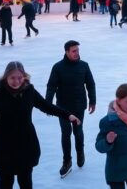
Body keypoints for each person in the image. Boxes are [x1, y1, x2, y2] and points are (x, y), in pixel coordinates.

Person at [0, 61, 80, 189]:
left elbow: (46, 106)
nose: (16, 81)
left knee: (26, 181)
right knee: (6, 182)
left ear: (24, 77)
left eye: (20, 77)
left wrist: (67, 115)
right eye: (12, 77)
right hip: (4, 145)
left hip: (25, 143)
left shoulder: (29, 91)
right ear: (6, 77)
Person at [45, 41, 97, 178]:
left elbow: (90, 84)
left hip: (79, 105)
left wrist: (93, 101)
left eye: (77, 50)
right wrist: (48, 104)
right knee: (65, 133)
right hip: (62, 107)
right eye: (74, 51)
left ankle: (80, 152)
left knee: (78, 131)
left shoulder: (84, 66)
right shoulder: (58, 67)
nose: (77, 53)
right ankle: (67, 161)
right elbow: (51, 86)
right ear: (66, 52)